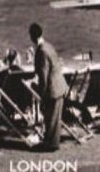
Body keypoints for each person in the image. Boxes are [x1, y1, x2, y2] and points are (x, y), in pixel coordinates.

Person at [29, 23, 68, 152]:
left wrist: (42, 94)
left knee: (50, 117)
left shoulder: (41, 51)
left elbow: (43, 75)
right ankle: (52, 142)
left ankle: (50, 144)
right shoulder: (48, 46)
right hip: (59, 84)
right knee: (55, 118)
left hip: (52, 87)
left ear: (32, 37)